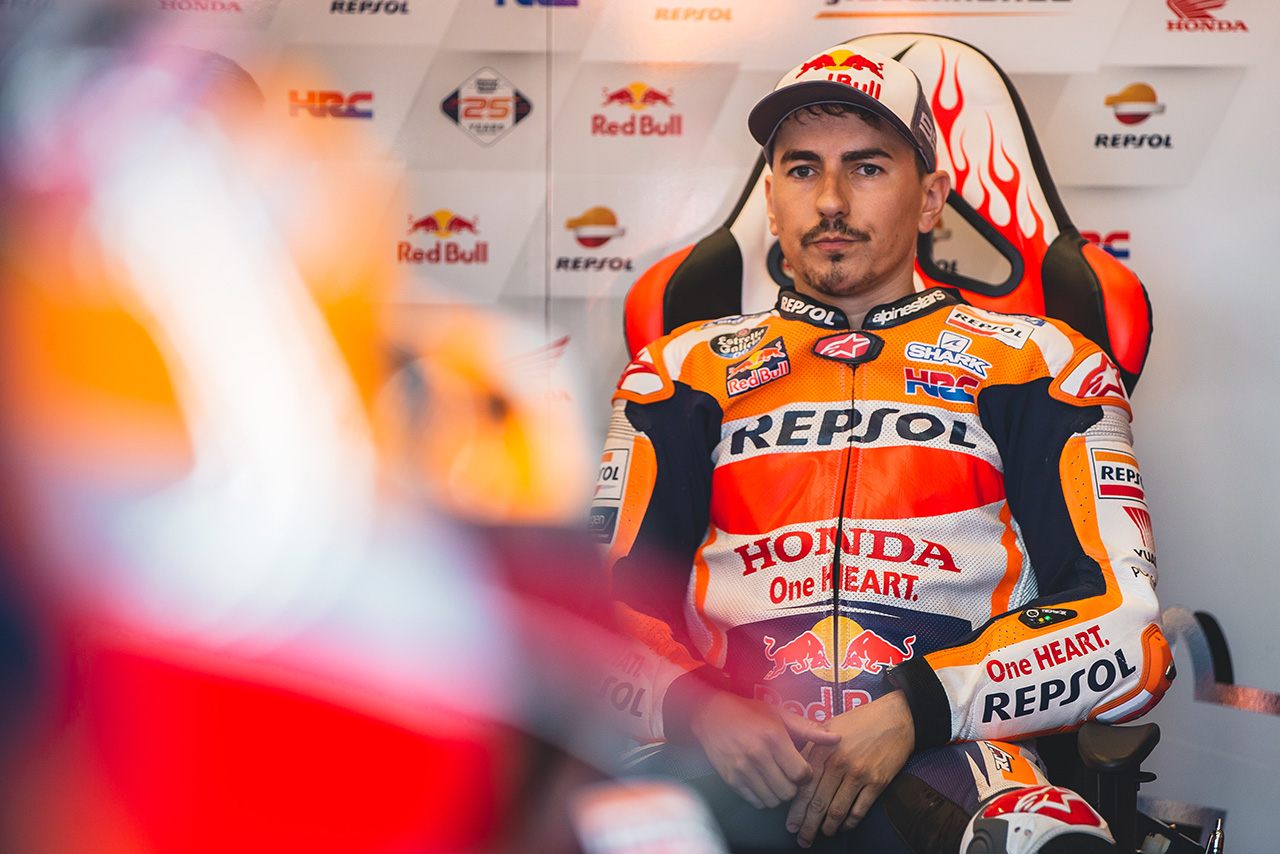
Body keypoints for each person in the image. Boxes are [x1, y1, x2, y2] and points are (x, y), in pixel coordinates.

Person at [590, 44, 1173, 854]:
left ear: (931, 198)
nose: (830, 200)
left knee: (1047, 842)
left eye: (866, 168)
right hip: (725, 753)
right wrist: (701, 707)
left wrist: (920, 708)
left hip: (953, 752)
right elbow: (593, 614)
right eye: (802, 170)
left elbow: (1126, 630)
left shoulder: (1044, 363)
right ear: (771, 199)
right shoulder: (679, 372)